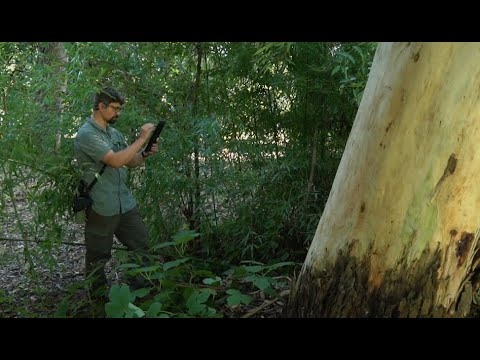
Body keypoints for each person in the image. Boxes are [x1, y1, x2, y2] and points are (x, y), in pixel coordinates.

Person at [73, 87, 158, 298]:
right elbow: (115, 161)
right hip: (102, 205)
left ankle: (141, 291)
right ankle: (99, 299)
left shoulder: (114, 134)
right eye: (115, 108)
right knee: (98, 255)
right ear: (101, 106)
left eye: (120, 109)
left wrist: (145, 153)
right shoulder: (86, 134)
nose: (118, 113)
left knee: (141, 243)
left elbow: (130, 162)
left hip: (125, 203)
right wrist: (141, 139)